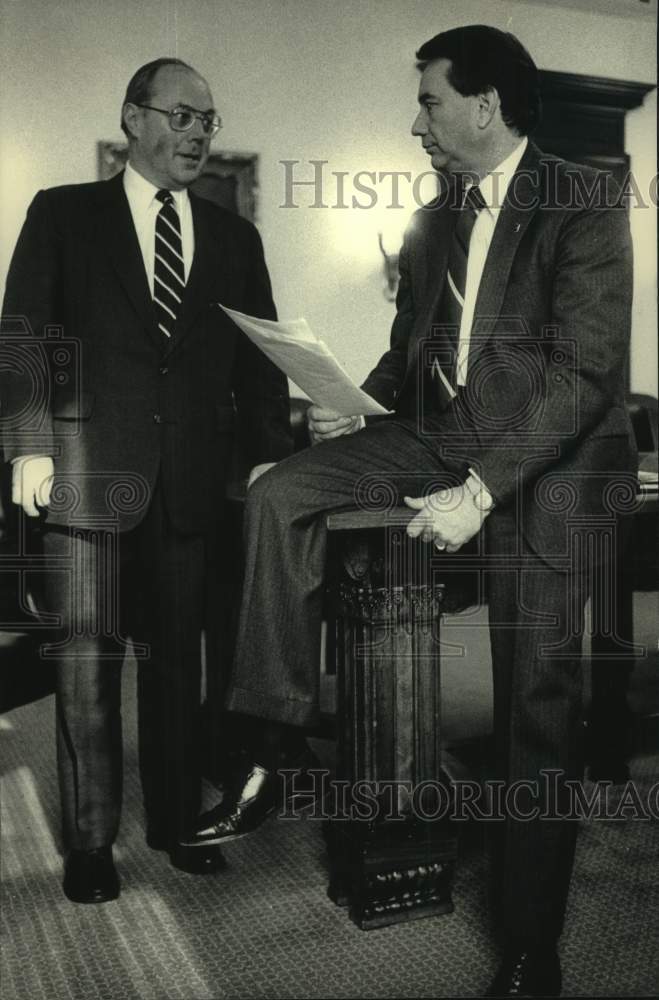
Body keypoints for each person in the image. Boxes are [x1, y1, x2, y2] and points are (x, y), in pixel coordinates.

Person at [183, 25, 636, 997]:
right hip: (439, 429)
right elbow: (408, 356)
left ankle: (530, 945)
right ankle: (264, 744)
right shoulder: (434, 218)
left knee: (531, 705)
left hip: (554, 465)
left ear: (483, 104)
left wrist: (477, 495)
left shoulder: (582, 197)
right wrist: (340, 404)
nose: (415, 121)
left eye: (428, 101)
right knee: (276, 492)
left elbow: (583, 373)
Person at [0, 57, 292, 903]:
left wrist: (270, 455)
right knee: (88, 668)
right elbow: (23, 336)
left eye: (210, 121)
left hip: (193, 485)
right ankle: (90, 843)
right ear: (133, 120)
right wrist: (27, 448)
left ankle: (175, 822)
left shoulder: (236, 238)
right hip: (84, 477)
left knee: (176, 671)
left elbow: (262, 364)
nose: (199, 132)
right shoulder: (64, 214)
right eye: (183, 115)